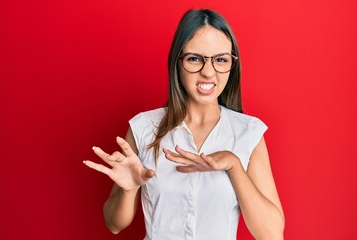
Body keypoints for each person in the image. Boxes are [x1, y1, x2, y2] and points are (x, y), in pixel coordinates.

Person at [83, 8, 285, 240]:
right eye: (194, 59)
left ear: (232, 64)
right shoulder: (143, 128)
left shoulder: (248, 133)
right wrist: (130, 189)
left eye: (220, 60)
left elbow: (272, 235)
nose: (208, 72)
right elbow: (114, 224)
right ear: (177, 62)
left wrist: (234, 166)